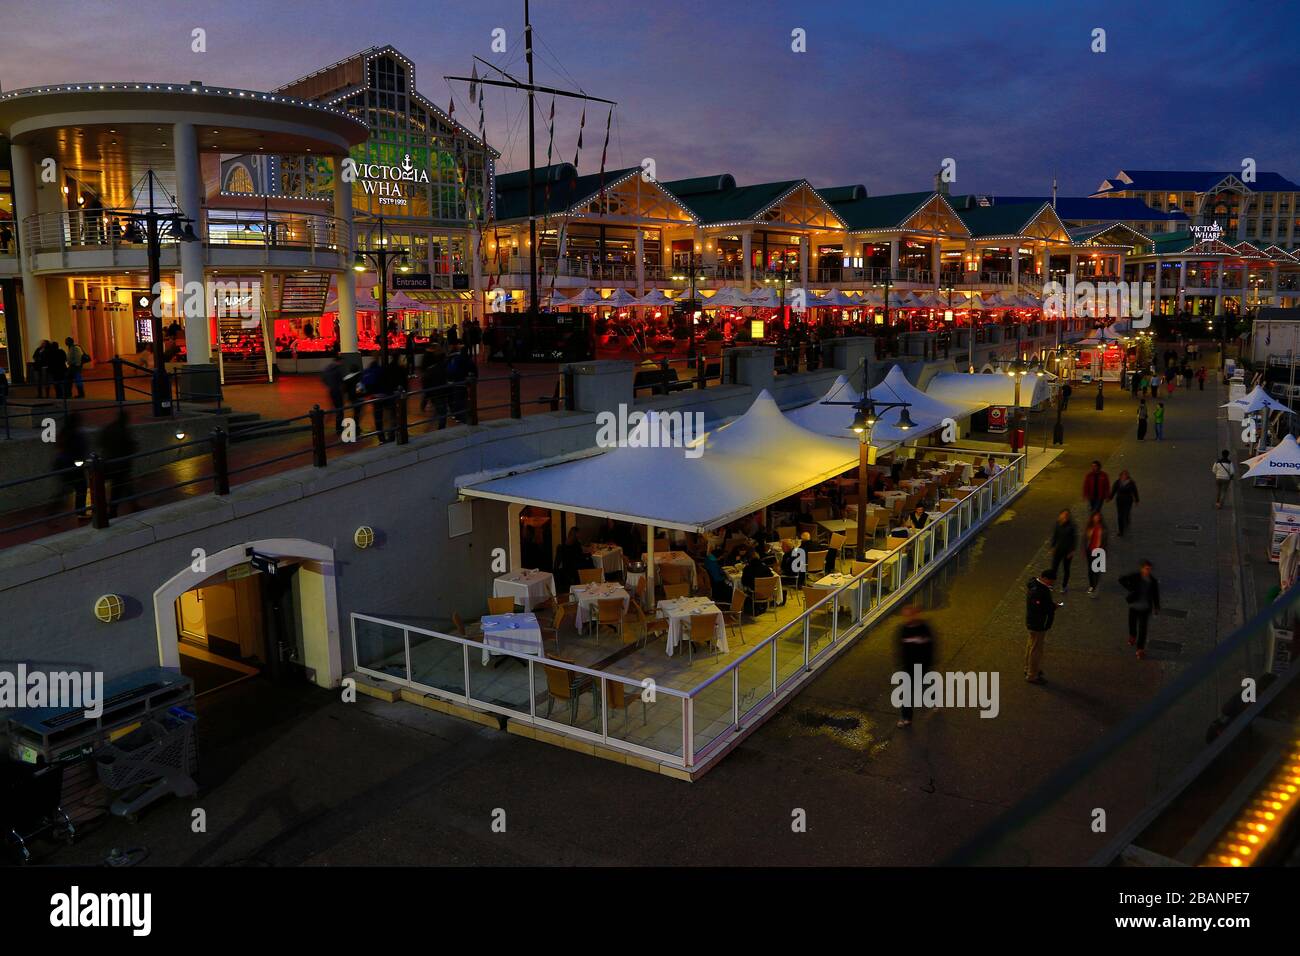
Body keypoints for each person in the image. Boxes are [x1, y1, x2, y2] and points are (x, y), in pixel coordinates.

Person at [895, 603, 936, 727]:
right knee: (907, 691)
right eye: (906, 616)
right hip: (909, 666)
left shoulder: (924, 628)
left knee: (926, 683)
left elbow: (930, 646)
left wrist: (928, 662)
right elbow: (900, 648)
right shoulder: (904, 629)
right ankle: (907, 718)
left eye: (910, 615)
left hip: (923, 664)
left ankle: (933, 700)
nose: (908, 618)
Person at [97, 408, 137, 517]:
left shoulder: (109, 428)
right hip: (120, 465)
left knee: (121, 487)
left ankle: (113, 510)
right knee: (119, 488)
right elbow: (130, 446)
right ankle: (117, 509)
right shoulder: (123, 430)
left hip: (109, 463)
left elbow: (100, 442)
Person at [1119, 560, 1161, 661]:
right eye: (1146, 569)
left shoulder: (1153, 581)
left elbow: (1155, 595)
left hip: (1145, 608)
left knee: (1143, 629)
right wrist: (1130, 588)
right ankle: (1133, 636)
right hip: (1134, 606)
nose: (1148, 571)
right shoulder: (1136, 576)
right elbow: (1121, 579)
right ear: (1142, 568)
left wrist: (1156, 607)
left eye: (1149, 569)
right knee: (1132, 624)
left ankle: (1140, 649)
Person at [1024, 568, 1057, 684]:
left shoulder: (1034, 586)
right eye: (1051, 581)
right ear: (1045, 578)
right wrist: (1052, 607)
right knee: (1036, 649)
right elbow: (1039, 608)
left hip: (1033, 622)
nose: (1052, 584)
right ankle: (1032, 675)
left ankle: (1028, 668)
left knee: (1031, 645)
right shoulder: (1039, 591)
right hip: (1038, 623)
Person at [553, 527, 591, 595]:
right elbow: (580, 557)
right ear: (576, 534)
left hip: (566, 567)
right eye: (579, 533)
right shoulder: (576, 544)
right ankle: (589, 583)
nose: (580, 534)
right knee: (590, 562)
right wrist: (588, 554)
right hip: (575, 568)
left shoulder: (564, 544)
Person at [1049, 509, 1077, 594]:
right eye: (1062, 515)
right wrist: (1052, 547)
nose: (1064, 517)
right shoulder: (1058, 524)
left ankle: (1064, 586)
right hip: (1058, 550)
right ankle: (1051, 584)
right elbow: (1055, 536)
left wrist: (1072, 550)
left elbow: (1074, 539)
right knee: (1054, 568)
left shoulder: (1071, 526)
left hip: (1067, 552)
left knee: (1066, 569)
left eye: (1066, 515)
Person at [419, 348, 449, 429]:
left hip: (435, 393)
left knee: (440, 410)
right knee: (442, 412)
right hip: (441, 393)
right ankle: (441, 428)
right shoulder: (444, 368)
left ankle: (439, 427)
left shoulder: (431, 369)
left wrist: (427, 395)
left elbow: (426, 382)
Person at [1083, 511, 1107, 596]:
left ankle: (1095, 586)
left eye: (1098, 517)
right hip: (1090, 550)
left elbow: (1105, 542)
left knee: (1097, 570)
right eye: (1095, 516)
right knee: (1090, 570)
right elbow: (1085, 540)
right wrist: (1084, 550)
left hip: (1099, 551)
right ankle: (1091, 585)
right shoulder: (1089, 527)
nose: (1096, 518)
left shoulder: (1103, 528)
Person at [1108, 469, 1139, 536]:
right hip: (1120, 500)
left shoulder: (1131, 483)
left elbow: (1135, 491)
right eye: (1123, 475)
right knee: (1120, 516)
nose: (1124, 476)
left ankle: (1127, 517)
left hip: (1128, 500)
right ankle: (1121, 530)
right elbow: (1113, 490)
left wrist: (1136, 500)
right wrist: (1110, 498)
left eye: (1126, 475)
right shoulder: (1117, 482)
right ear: (1120, 476)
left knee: (1126, 513)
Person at [320, 355, 346, 433]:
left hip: (331, 390)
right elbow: (342, 380)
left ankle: (323, 424)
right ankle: (339, 428)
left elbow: (323, 378)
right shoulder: (339, 369)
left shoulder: (327, 368)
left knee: (333, 408)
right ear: (340, 361)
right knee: (340, 410)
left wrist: (329, 385)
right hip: (337, 391)